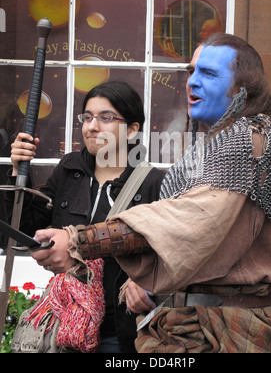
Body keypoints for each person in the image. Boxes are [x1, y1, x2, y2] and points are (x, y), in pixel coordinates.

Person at [30, 34, 271, 353]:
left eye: (209, 74)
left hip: (231, 330)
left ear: (242, 87)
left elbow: (185, 222)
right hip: (198, 318)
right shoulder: (224, 142)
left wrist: (79, 241)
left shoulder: (245, 141)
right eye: (191, 72)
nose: (193, 82)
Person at [5, 81, 164, 353]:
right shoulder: (68, 170)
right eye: (87, 117)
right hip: (65, 324)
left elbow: (169, 251)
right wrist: (18, 173)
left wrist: (147, 282)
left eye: (106, 118)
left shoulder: (153, 184)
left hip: (121, 332)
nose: (92, 126)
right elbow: (23, 227)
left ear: (132, 130)